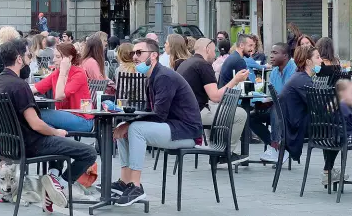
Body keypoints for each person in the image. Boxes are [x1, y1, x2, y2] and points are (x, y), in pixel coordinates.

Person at [0, 39, 96, 212]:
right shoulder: (19, 85)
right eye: (28, 55)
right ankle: (58, 186)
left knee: (61, 143)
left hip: (10, 147)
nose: (29, 59)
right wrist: (56, 132)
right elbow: (36, 124)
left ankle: (53, 182)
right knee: (88, 152)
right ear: (18, 59)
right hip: (32, 144)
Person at [113, 38, 202, 206]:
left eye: (139, 53)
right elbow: (152, 111)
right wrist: (127, 122)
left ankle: (136, 186)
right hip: (173, 127)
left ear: (153, 55)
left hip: (186, 132)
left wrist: (130, 124)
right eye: (133, 53)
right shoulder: (153, 76)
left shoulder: (163, 77)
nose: (135, 57)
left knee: (135, 129)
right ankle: (125, 182)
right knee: (122, 128)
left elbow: (159, 115)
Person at [177, 38, 249, 164]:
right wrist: (236, 80)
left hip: (182, 112)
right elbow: (215, 96)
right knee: (241, 114)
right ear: (207, 49)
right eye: (214, 50)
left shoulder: (187, 63)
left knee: (213, 108)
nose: (215, 54)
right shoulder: (203, 65)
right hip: (194, 114)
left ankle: (214, 152)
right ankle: (226, 154)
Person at [31, 43, 94, 132]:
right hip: (67, 115)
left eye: (57, 57)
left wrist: (63, 72)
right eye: (54, 56)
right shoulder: (56, 73)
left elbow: (59, 96)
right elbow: (35, 88)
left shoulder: (79, 73)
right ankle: (56, 140)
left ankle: (55, 138)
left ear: (69, 58)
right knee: (42, 125)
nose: (53, 60)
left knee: (36, 114)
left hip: (83, 118)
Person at [258, 43, 296, 162]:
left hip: (293, 110)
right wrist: (263, 102)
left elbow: (289, 96)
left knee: (276, 108)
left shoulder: (294, 69)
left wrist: (273, 100)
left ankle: (277, 148)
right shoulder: (274, 72)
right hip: (277, 106)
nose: (271, 56)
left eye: (275, 53)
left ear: (285, 56)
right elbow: (273, 94)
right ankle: (276, 146)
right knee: (251, 116)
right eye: (271, 53)